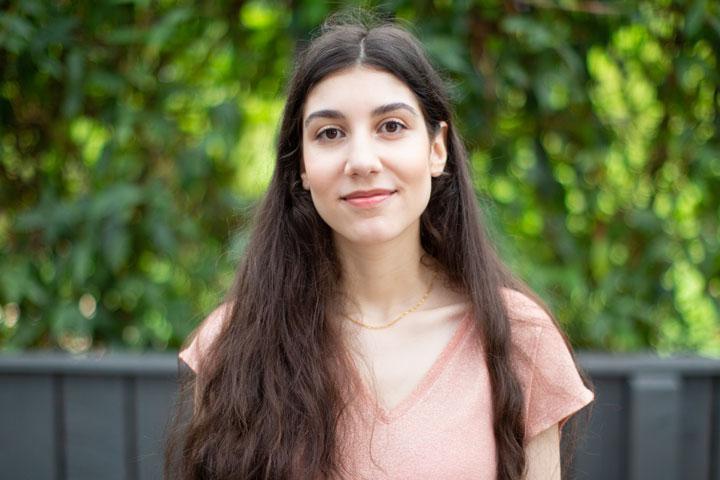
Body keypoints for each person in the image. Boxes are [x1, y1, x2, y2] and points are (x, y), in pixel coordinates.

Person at [165, 13, 594, 480]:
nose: (362, 161)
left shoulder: (517, 337)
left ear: (437, 149)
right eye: (330, 133)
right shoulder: (235, 343)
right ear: (302, 166)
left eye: (391, 126)